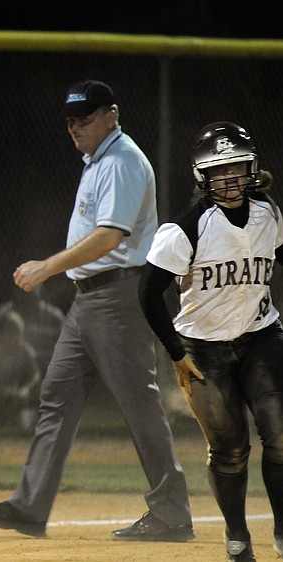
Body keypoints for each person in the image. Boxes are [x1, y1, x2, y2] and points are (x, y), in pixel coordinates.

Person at [0, 79, 194, 542]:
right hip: (88, 300)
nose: (75, 128)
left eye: (85, 119)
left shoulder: (122, 161)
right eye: (71, 121)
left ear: (111, 115)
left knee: (139, 404)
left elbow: (111, 236)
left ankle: (172, 513)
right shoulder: (97, 161)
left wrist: (48, 267)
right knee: (57, 396)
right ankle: (30, 506)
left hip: (118, 297)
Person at [139, 121, 283, 562]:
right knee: (230, 450)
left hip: (261, 335)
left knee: (280, 435)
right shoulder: (185, 229)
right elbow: (147, 294)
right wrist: (177, 354)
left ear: (251, 167)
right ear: (203, 177)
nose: (230, 178)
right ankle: (237, 536)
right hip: (203, 348)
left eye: (236, 167)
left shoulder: (270, 214)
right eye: (218, 171)